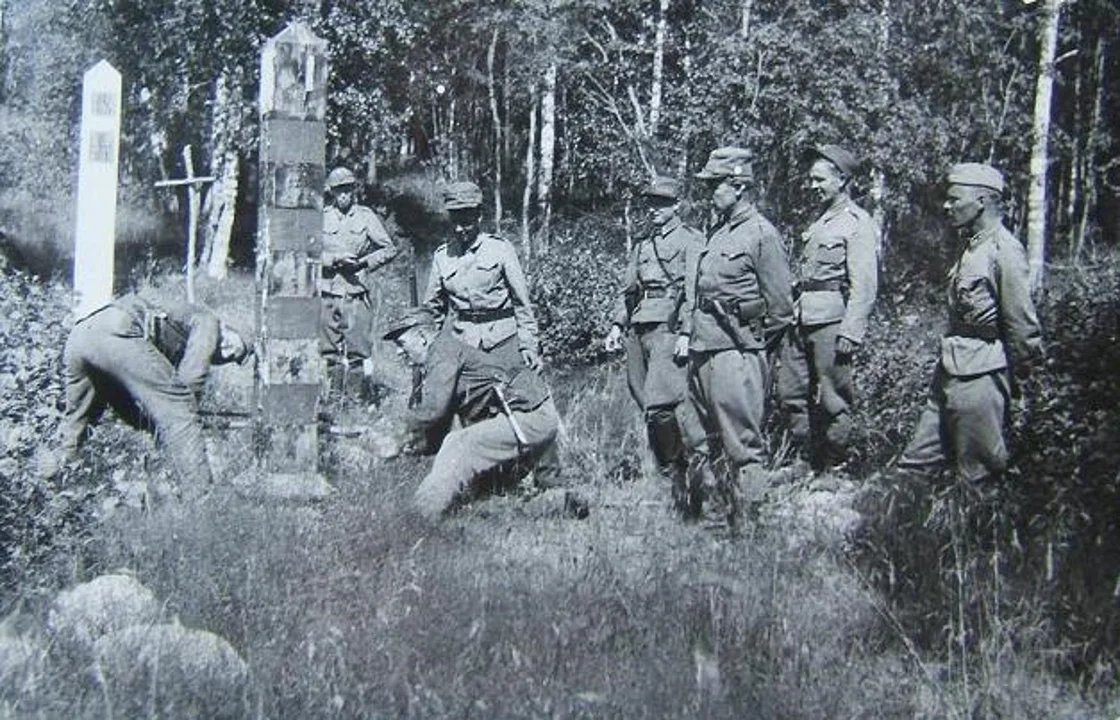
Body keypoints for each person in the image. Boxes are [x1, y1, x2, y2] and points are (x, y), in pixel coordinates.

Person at [896, 163, 1043, 484]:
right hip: (951, 365)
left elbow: (1020, 323)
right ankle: (893, 522)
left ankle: (973, 531)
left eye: (954, 199)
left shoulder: (1004, 250)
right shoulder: (971, 246)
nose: (946, 206)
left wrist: (1025, 381)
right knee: (916, 463)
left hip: (983, 372)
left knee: (977, 473)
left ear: (981, 201)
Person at [675, 146, 794, 525]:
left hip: (736, 352)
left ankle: (750, 524)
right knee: (702, 440)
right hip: (703, 348)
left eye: (716, 185)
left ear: (739, 184)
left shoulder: (762, 234)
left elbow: (780, 309)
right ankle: (713, 518)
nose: (710, 192)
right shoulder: (720, 233)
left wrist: (751, 351)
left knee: (741, 444)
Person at [383, 309, 585, 521]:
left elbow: (433, 411)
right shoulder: (443, 352)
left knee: (460, 443)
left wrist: (396, 438)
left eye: (401, 343)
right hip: (526, 416)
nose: (399, 352)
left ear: (422, 338)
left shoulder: (442, 353)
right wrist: (408, 447)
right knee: (482, 501)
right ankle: (556, 504)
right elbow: (438, 427)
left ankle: (419, 517)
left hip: (529, 417)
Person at [40, 293, 251, 495]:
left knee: (76, 426)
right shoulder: (209, 321)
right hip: (118, 331)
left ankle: (52, 488)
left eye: (231, 357)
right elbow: (190, 382)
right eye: (233, 344)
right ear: (228, 327)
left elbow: (139, 409)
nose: (227, 351)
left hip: (81, 336)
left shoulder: (180, 335)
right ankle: (202, 501)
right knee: (181, 407)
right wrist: (187, 414)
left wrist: (158, 424)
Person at [604, 176, 704, 515]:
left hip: (669, 325)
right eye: (650, 202)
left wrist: (687, 332)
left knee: (664, 403)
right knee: (642, 397)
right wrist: (618, 324)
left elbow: (694, 293)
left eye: (661, 202)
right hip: (639, 325)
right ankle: (666, 471)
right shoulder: (642, 245)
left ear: (676, 205)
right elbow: (628, 290)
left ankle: (677, 473)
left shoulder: (692, 241)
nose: (653, 208)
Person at [777, 144, 879, 472]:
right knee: (790, 391)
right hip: (800, 317)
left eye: (820, 180)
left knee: (834, 397)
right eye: (811, 180)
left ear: (843, 180)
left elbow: (865, 285)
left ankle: (835, 464)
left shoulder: (857, 223)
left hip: (831, 321)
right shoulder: (820, 221)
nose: (813, 186)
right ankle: (802, 459)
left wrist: (851, 330)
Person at [421, 181, 541, 374]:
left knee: (520, 399)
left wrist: (528, 345)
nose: (459, 229)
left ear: (479, 216)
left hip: (504, 342)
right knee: (462, 401)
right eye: (455, 221)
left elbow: (522, 304)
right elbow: (432, 311)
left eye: (465, 222)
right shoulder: (442, 256)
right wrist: (425, 348)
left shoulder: (500, 249)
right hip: (464, 345)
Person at [320, 165, 397, 398]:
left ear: (354, 190)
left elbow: (389, 248)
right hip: (327, 294)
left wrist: (363, 263)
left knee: (359, 352)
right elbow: (307, 252)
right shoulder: (321, 217)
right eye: (338, 190)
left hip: (355, 294)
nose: (343, 195)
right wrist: (333, 260)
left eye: (347, 190)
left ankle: (356, 402)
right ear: (331, 192)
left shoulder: (366, 217)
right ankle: (332, 401)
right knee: (327, 352)